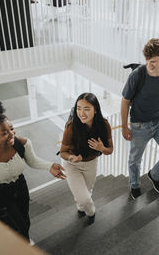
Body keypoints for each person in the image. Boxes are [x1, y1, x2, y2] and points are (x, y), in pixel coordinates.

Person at [0, 100, 66, 240]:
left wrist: (49, 166)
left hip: (20, 187)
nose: (11, 134)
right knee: (19, 227)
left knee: (25, 221)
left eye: (12, 128)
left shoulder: (22, 143)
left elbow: (32, 161)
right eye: (4, 133)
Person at [121, 38, 159, 200]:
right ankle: (134, 185)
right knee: (135, 160)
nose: (150, 64)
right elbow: (125, 101)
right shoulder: (137, 75)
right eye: (148, 60)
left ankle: (155, 175)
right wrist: (124, 127)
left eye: (154, 61)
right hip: (139, 124)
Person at [59, 92, 113, 225]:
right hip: (71, 164)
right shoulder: (71, 127)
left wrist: (101, 148)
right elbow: (62, 152)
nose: (81, 113)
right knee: (85, 199)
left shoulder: (104, 125)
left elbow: (110, 150)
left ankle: (81, 207)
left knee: (87, 192)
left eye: (87, 109)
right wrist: (71, 157)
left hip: (91, 163)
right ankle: (91, 213)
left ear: (95, 110)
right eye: (78, 108)